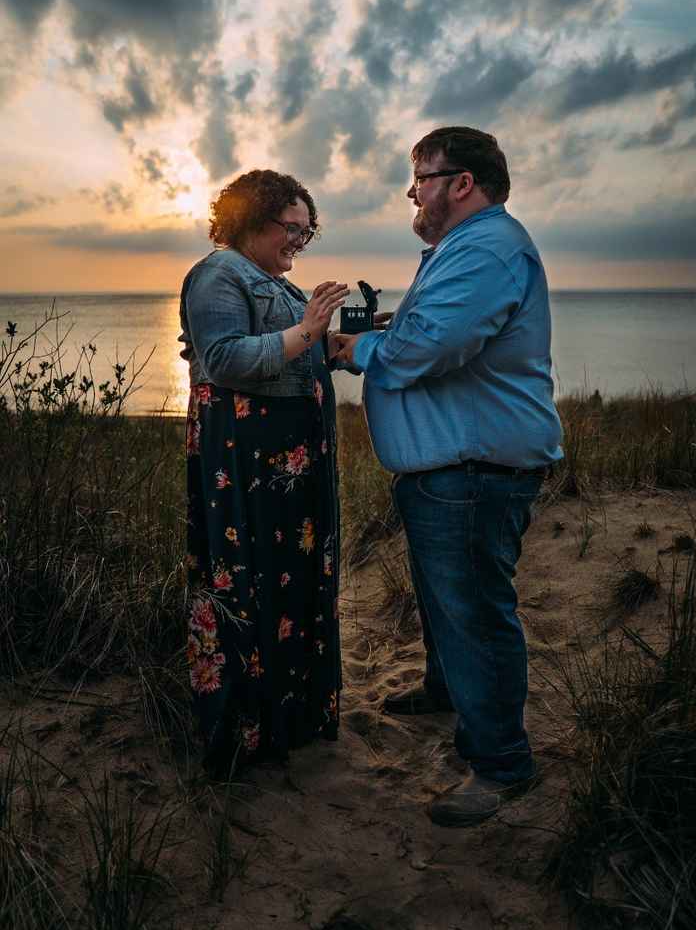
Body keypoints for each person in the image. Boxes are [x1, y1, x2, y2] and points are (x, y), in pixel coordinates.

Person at [335, 127, 563, 827]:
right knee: (446, 602)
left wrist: (361, 346)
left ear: (461, 182)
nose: (414, 194)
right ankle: (445, 690)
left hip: (472, 473)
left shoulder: (489, 246)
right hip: (451, 472)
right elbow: (432, 330)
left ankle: (500, 764)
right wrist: (389, 330)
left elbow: (428, 346)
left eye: (419, 180)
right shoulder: (467, 249)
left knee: (473, 613)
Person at [178, 169, 349, 777]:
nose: (299, 243)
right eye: (291, 229)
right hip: (247, 461)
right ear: (253, 218)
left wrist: (332, 345)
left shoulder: (274, 282)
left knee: (291, 582)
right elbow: (222, 358)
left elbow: (292, 354)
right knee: (250, 582)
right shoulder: (219, 272)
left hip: (287, 463)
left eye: (307, 233)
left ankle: (292, 716)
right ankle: (246, 730)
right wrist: (307, 330)